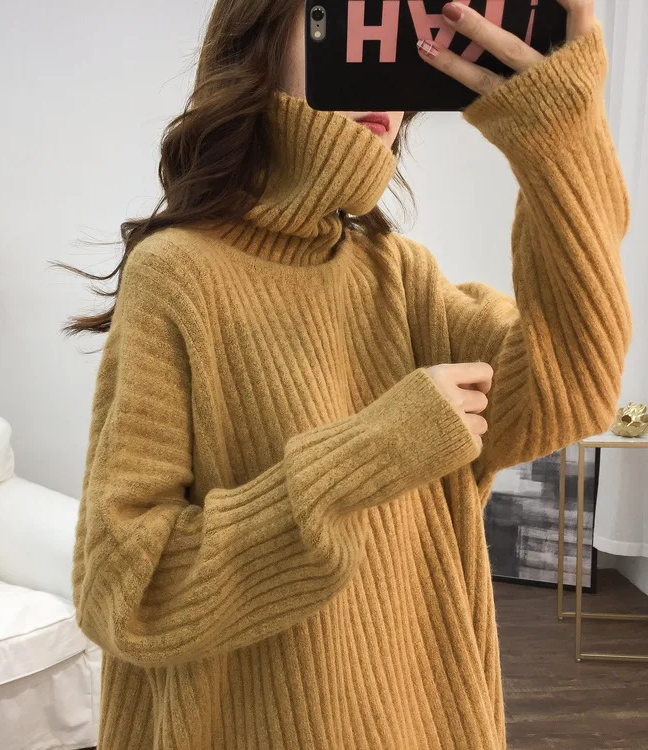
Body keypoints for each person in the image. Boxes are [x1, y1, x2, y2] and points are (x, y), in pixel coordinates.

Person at [70, 0, 631, 747]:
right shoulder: (178, 275)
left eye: (395, 34)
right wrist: (376, 452)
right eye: (347, 20)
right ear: (256, 44)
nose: (376, 72)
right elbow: (127, 594)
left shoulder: (402, 276)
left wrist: (558, 136)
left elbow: (573, 386)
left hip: (427, 723)